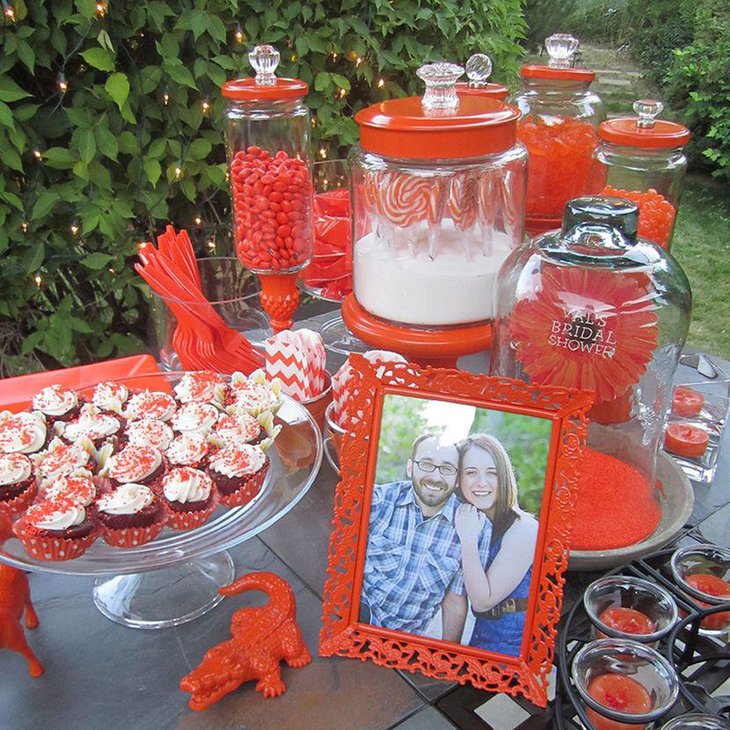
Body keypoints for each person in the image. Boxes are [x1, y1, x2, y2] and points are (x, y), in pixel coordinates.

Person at [361, 432, 491, 642]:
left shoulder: (476, 529)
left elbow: (454, 601)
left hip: (403, 643)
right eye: (427, 464)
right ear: (410, 467)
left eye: (447, 468)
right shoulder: (378, 501)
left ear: (457, 479)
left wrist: (447, 659)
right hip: (359, 620)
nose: (436, 477)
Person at [454, 433, 539, 656]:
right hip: (478, 637)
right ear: (458, 479)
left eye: (492, 473)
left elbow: (483, 601)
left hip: (511, 643)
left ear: (504, 477)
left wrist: (468, 541)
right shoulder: (468, 519)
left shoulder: (523, 528)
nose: (482, 482)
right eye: (471, 472)